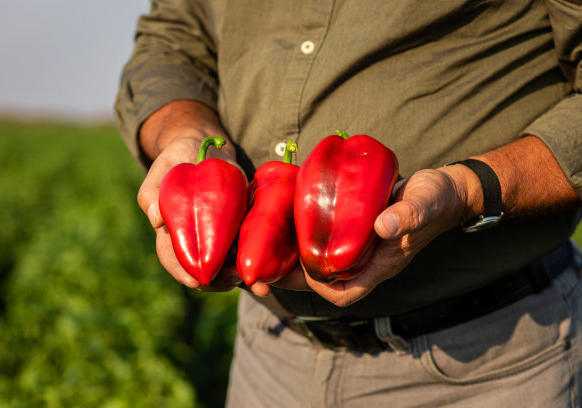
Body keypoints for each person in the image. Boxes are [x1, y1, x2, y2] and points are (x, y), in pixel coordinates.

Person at [115, 1, 582, 406]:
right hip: (270, 357)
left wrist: (469, 191)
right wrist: (183, 135)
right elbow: (171, 41)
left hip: (495, 361)